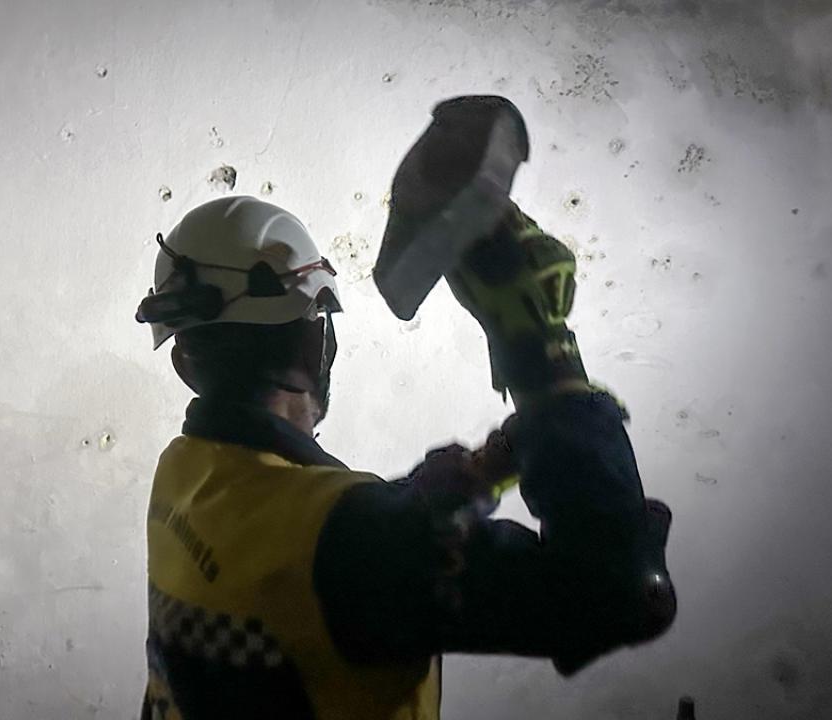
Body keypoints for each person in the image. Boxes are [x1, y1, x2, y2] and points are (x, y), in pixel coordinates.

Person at [136, 100, 675, 720]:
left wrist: (473, 478)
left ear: (184, 363)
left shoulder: (185, 476)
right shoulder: (350, 546)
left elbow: (327, 544)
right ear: (319, 337)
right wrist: (542, 352)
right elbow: (620, 596)